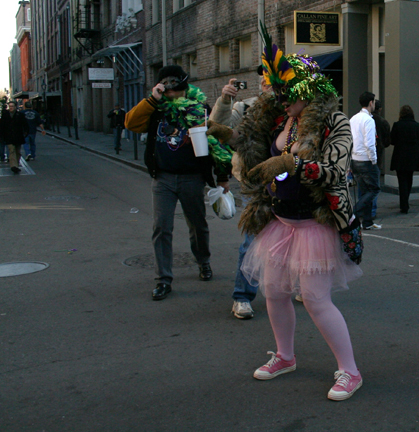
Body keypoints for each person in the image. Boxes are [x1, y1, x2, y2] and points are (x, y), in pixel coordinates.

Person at [237, 32, 363, 401]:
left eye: (287, 93)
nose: (280, 100)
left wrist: (291, 162)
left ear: (306, 91)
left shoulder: (334, 122)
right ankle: (285, 356)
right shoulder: (284, 119)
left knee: (315, 299)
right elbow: (257, 153)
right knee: (273, 292)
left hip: (314, 226)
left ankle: (350, 372)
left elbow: (335, 170)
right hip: (280, 222)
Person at [125, 65, 230, 300]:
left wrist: (222, 176)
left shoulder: (199, 109)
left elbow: (217, 142)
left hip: (192, 177)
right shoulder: (156, 109)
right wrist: (153, 99)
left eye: (174, 89)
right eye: (166, 89)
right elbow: (130, 124)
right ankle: (163, 279)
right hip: (162, 178)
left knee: (197, 224)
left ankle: (203, 261)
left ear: (183, 88)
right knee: (161, 227)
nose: (170, 94)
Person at [208, 74, 272, 320]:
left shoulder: (290, 107)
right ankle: (242, 297)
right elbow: (217, 126)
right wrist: (225, 100)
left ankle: (297, 285)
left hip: (287, 181)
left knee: (293, 237)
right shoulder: (245, 106)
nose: (268, 86)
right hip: (254, 183)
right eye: (265, 81)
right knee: (252, 241)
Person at [350, 91, 382, 230]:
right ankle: (353, 213)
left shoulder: (353, 119)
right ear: (370, 103)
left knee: (364, 191)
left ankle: (367, 222)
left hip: (354, 159)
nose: (374, 104)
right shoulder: (369, 120)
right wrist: (373, 160)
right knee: (374, 189)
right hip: (366, 160)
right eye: (374, 102)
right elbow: (370, 143)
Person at [390, 105, 419, 213]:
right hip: (413, 156)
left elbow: (392, 140)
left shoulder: (397, 125)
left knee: (401, 181)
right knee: (409, 179)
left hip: (400, 156)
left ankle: (404, 204)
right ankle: (405, 201)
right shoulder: (418, 126)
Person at [1, 102, 29, 174]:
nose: (11, 108)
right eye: (9, 106)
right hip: (9, 136)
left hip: (18, 136)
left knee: (18, 152)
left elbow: (25, 124)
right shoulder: (5, 115)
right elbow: (2, 126)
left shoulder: (20, 115)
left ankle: (16, 165)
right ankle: (14, 166)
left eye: (12, 106)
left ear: (15, 107)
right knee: (11, 151)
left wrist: (25, 132)